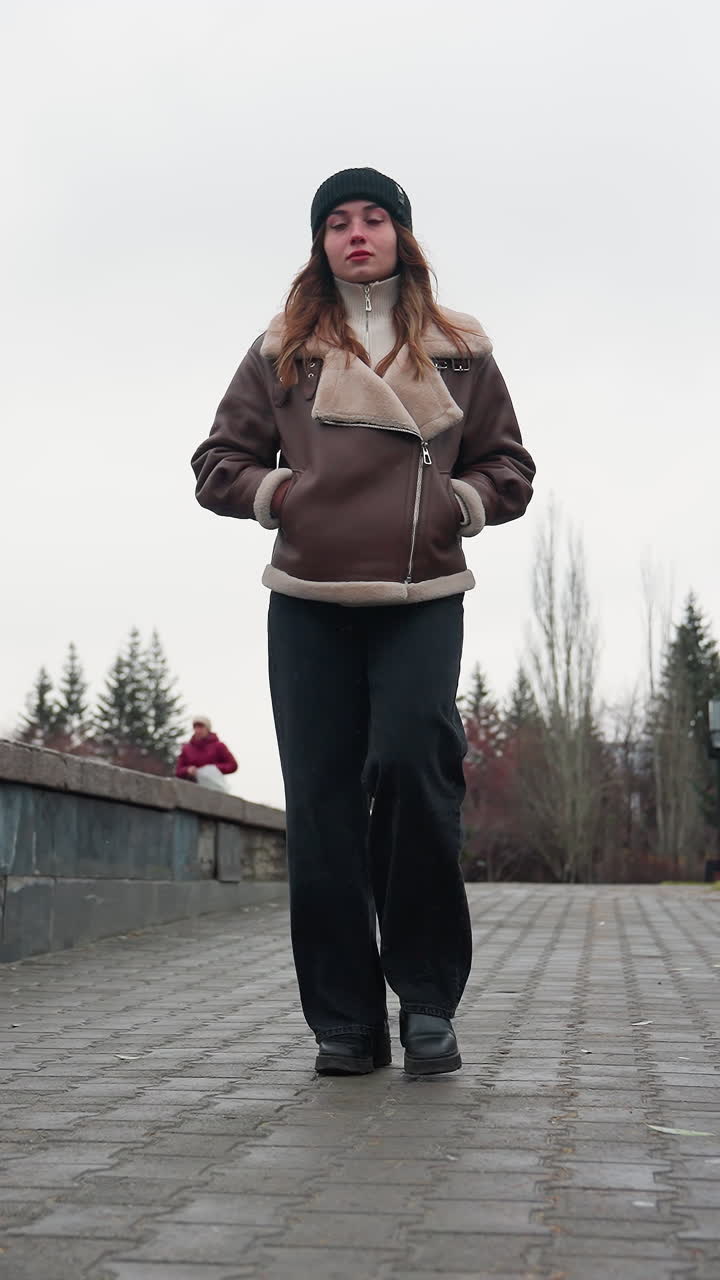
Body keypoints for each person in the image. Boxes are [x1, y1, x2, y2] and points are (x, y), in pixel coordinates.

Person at [191, 167, 535, 1076]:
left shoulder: (461, 348)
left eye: (372, 218)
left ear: (400, 234)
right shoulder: (282, 352)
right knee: (323, 806)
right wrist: (279, 493)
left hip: (422, 595)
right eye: (337, 221)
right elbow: (216, 461)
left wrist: (461, 503)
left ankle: (426, 1000)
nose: (355, 233)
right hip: (308, 599)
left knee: (417, 773)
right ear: (320, 242)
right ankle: (344, 1020)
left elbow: (511, 466)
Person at [175, 716, 238, 787]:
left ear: (208, 729)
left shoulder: (219, 746)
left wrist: (213, 769)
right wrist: (187, 770)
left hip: (214, 786)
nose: (198, 730)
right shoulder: (186, 748)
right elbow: (178, 771)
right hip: (191, 788)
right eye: (196, 727)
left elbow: (232, 765)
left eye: (201, 727)